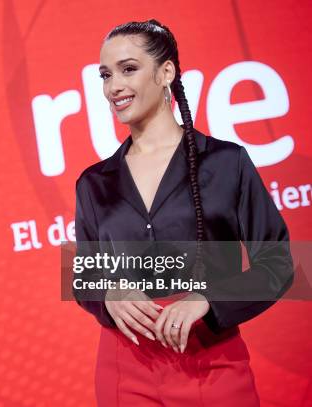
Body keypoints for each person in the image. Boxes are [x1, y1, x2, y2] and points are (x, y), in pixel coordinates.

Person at [72, 19, 294, 406]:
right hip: (126, 371)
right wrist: (108, 293)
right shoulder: (94, 182)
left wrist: (208, 298)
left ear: (166, 72)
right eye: (105, 75)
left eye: (128, 69)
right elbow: (82, 275)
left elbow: (278, 262)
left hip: (213, 364)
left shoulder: (226, 162)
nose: (113, 87)